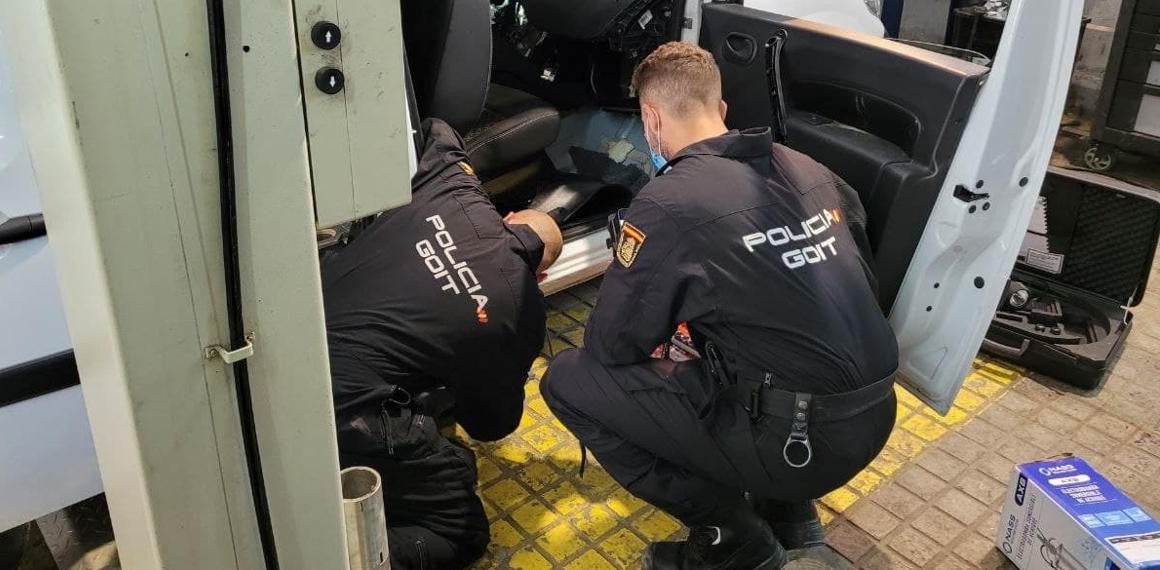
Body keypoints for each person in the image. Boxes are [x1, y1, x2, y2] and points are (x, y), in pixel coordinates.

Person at [540, 43, 898, 570]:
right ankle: (791, 515)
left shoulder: (671, 201)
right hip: (876, 413)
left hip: (800, 445)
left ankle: (731, 538)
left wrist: (671, 334)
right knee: (763, 336)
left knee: (570, 380)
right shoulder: (808, 168)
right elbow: (838, 290)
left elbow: (612, 345)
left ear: (651, 119)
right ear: (722, 110)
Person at [321, 118, 562, 570]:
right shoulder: (522, 309)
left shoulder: (451, 185)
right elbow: (491, 425)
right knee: (460, 533)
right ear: (541, 276)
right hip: (342, 405)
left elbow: (436, 128)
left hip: (300, 333)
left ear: (508, 217)